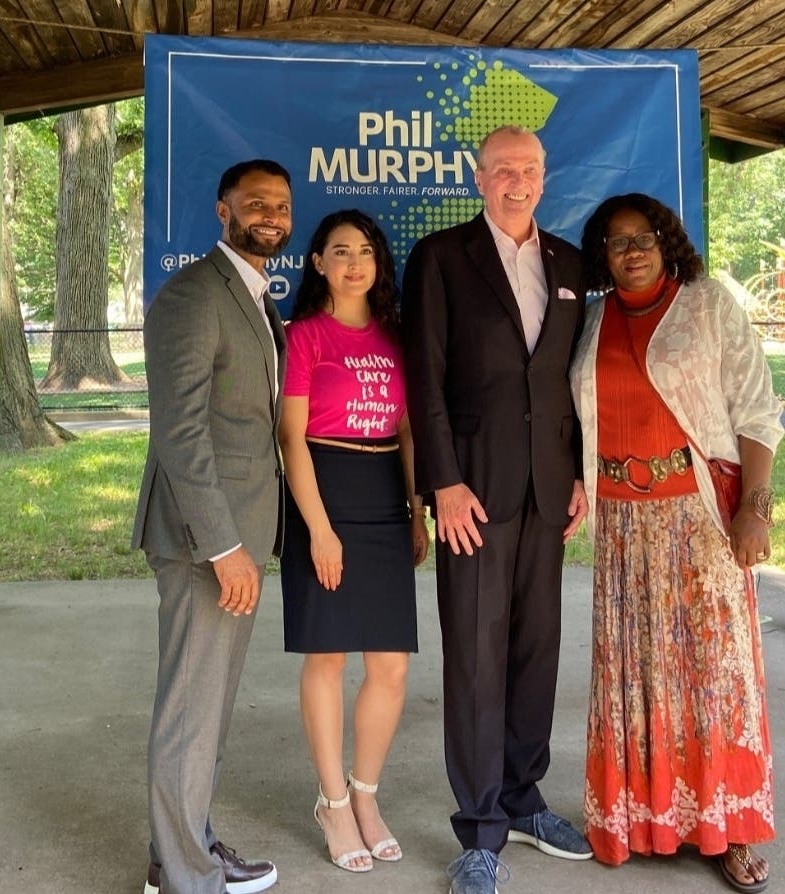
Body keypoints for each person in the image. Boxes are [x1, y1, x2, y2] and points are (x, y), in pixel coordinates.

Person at [569, 193, 783, 893]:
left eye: (643, 238)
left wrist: (756, 509)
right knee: (634, 676)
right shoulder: (593, 319)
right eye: (615, 241)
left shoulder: (708, 303)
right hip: (621, 527)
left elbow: (757, 408)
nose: (629, 251)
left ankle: (733, 828)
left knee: (717, 677)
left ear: (668, 242)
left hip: (697, 514)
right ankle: (644, 818)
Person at [401, 125, 592, 894]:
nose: (518, 179)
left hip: (549, 489)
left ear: (546, 177)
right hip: (471, 490)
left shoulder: (570, 263)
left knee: (535, 650)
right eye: (504, 168)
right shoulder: (442, 257)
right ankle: (479, 830)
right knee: (476, 658)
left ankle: (523, 796)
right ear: (478, 178)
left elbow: (574, 383)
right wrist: (440, 482)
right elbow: (425, 375)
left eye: (531, 168)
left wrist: (578, 473)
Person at [132, 159, 291, 894]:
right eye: (255, 201)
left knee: (209, 712)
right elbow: (181, 432)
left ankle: (187, 847)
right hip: (208, 544)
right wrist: (225, 547)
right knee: (191, 714)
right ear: (223, 210)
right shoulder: (195, 295)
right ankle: (185, 880)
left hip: (240, 538)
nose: (271, 213)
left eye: (281, 204)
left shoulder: (256, 296)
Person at [277, 209, 429, 873]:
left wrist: (417, 508)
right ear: (318, 263)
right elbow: (290, 438)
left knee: (391, 664)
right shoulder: (304, 336)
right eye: (339, 251)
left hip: (384, 499)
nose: (354, 262)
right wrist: (318, 529)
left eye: (365, 251)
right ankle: (332, 801)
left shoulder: (398, 337)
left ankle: (366, 796)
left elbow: (406, 432)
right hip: (323, 487)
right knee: (329, 658)